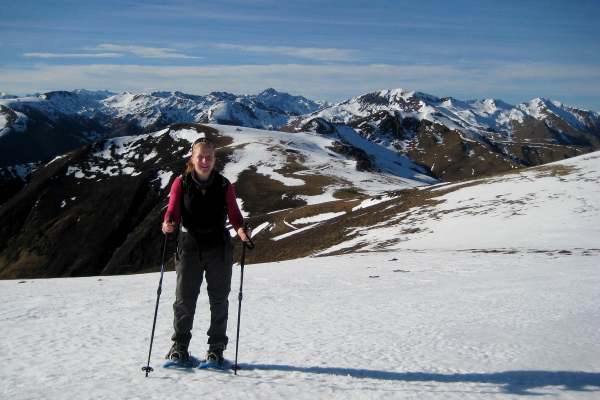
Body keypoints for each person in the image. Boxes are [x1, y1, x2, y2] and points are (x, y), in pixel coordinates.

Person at [162, 136, 250, 366]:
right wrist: (168, 222)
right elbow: (172, 210)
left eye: (208, 157)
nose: (204, 161)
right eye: (200, 157)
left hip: (218, 247)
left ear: (214, 160)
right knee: (184, 299)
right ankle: (179, 346)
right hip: (189, 245)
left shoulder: (223, 185)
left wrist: (240, 229)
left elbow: (234, 214)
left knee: (218, 300)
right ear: (192, 159)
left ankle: (216, 348)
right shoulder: (180, 183)